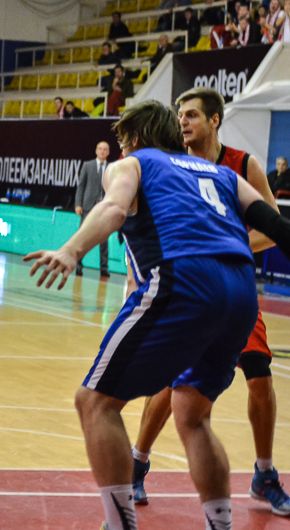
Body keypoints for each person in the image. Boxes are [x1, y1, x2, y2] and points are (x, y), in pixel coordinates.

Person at [23, 98, 290, 530]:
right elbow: (276, 226)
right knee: (193, 416)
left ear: (134, 138)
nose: (121, 148)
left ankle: (120, 524)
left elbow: (113, 208)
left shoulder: (133, 164)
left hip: (184, 280)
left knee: (94, 402)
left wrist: (72, 250)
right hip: (241, 292)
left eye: (123, 140)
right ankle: (220, 524)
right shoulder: (222, 173)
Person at [130, 88, 290, 517]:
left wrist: (229, 243)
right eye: (180, 116)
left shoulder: (242, 165)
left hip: (233, 288)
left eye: (192, 115)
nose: (183, 122)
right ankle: (137, 463)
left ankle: (264, 474)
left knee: (260, 378)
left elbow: (273, 225)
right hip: (188, 290)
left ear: (215, 120)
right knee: (169, 382)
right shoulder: (171, 163)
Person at [74, 142, 110, 277]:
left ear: (108, 152)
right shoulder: (87, 165)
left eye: (105, 149)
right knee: (82, 237)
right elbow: (81, 186)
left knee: (104, 240)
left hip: (104, 207)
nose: (102, 151)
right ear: (96, 151)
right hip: (88, 207)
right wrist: (78, 204)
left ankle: (104, 269)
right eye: (100, 149)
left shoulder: (111, 167)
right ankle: (78, 265)